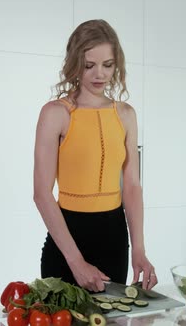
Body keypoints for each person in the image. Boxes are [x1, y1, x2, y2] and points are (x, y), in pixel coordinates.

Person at [33, 19, 157, 292]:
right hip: (67, 242)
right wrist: (76, 262)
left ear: (117, 65)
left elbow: (132, 186)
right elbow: (41, 193)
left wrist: (139, 249)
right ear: (76, 64)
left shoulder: (125, 115)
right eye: (89, 65)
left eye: (108, 65)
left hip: (114, 239)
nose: (99, 74)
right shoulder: (56, 113)